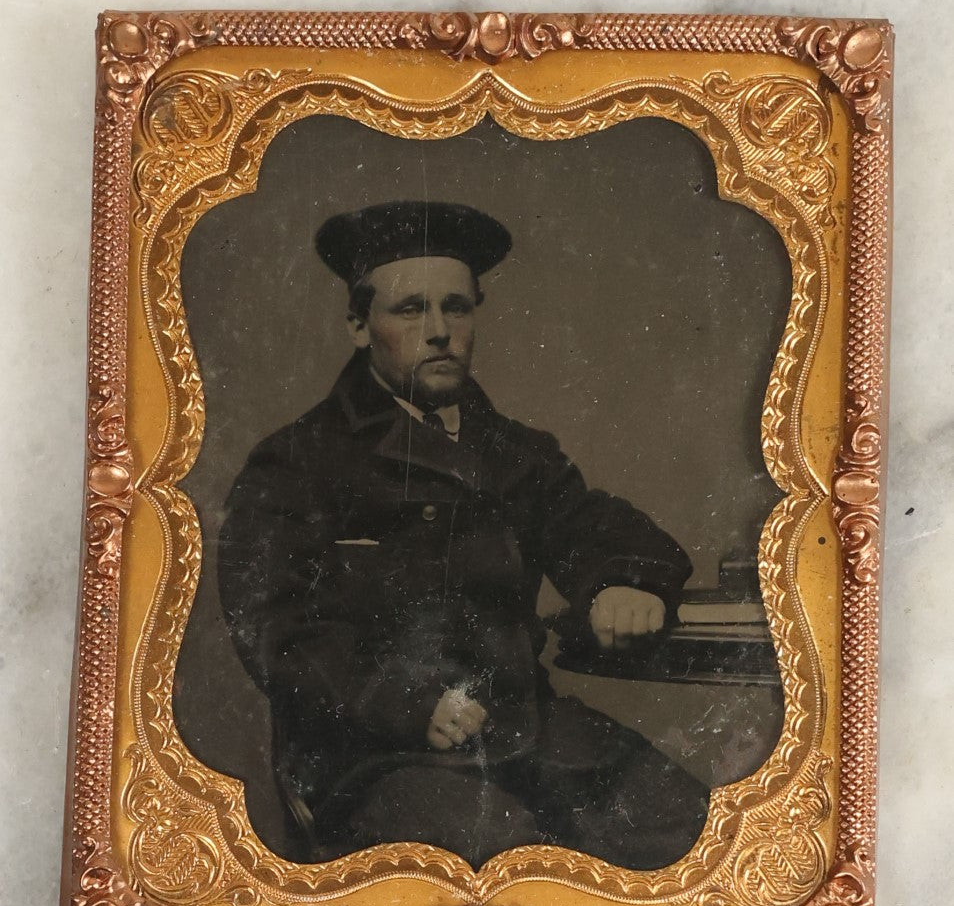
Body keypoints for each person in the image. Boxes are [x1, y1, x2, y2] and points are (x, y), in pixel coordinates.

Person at [218, 200, 709, 869]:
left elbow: (589, 524)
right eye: (410, 310)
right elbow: (276, 629)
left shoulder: (516, 451)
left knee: (691, 830)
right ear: (359, 325)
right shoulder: (296, 461)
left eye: (456, 308)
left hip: (529, 732)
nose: (440, 332)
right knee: (518, 869)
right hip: (378, 756)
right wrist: (410, 703)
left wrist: (625, 580)